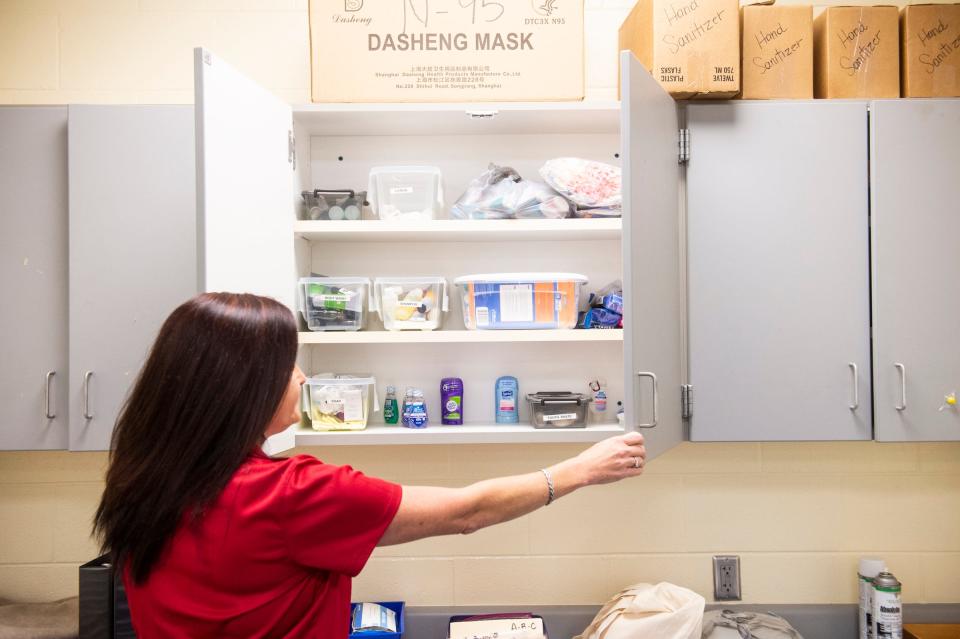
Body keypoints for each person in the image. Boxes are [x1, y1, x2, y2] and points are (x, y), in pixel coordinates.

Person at [94, 293, 646, 638]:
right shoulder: (290, 494)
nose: (303, 380)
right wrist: (582, 469)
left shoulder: (144, 482)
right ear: (242, 389)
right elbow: (465, 512)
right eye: (289, 367)